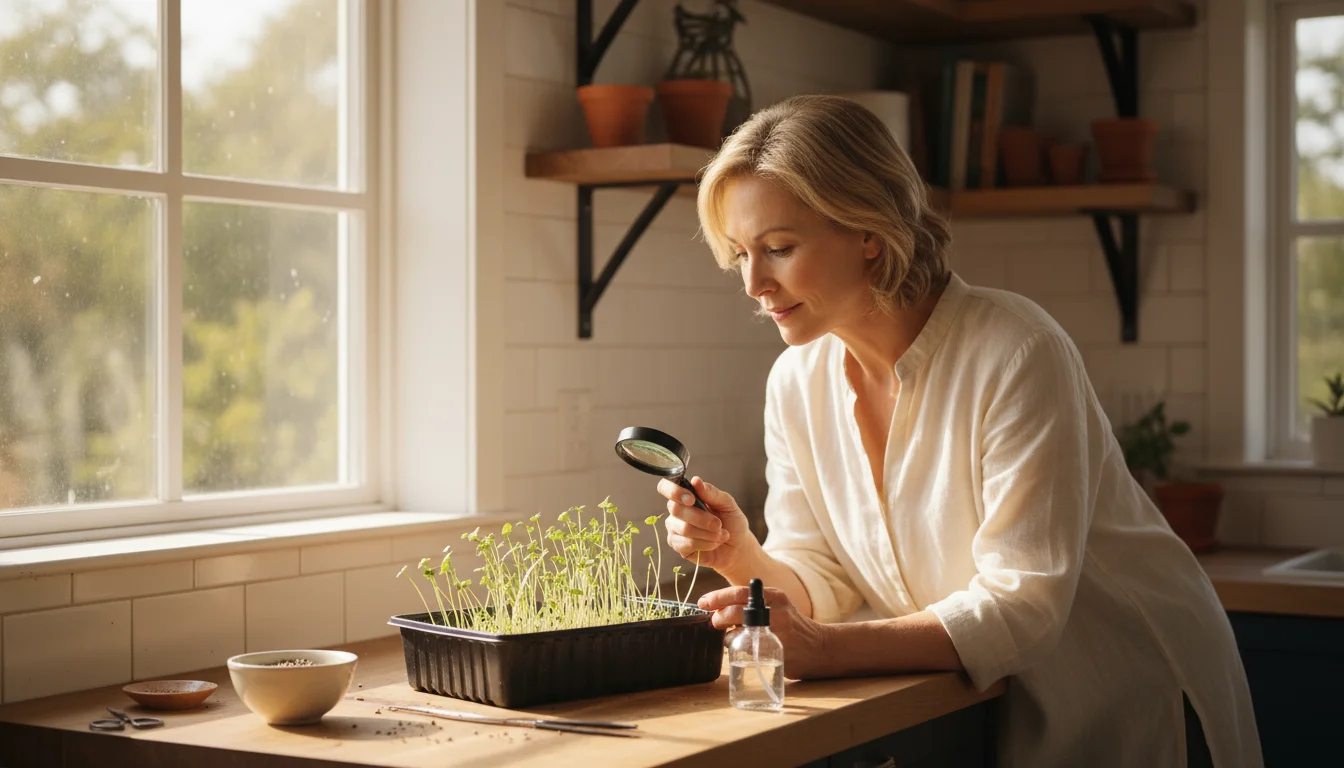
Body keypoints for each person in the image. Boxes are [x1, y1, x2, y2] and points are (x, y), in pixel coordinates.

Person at [654, 95, 1262, 767]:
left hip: (1128, 686)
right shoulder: (795, 381)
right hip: (993, 703)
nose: (754, 284)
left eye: (778, 248)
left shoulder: (1017, 349)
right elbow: (822, 584)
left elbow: (1023, 603)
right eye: (740, 254)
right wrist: (741, 553)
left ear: (868, 232)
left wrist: (826, 652)